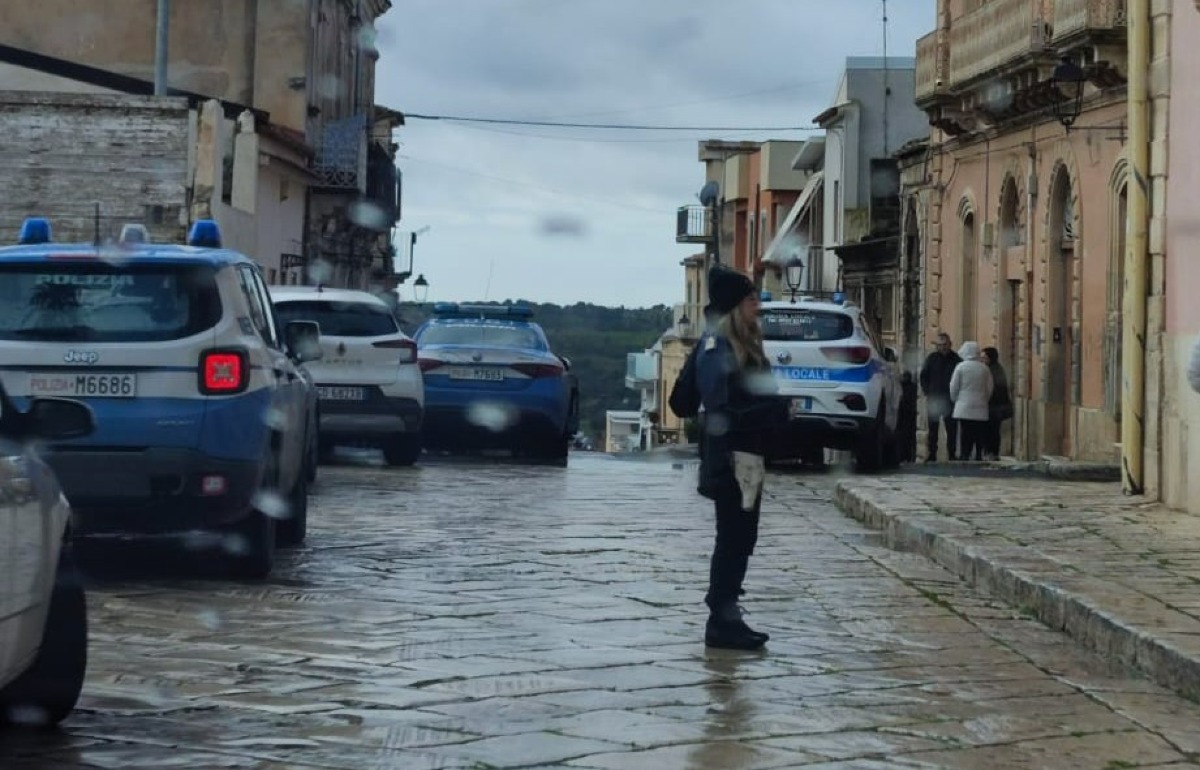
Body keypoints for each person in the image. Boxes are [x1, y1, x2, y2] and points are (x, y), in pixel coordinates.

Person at [695, 266, 787, 651]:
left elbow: (683, 398)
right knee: (732, 536)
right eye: (752, 299)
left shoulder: (727, 345)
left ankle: (728, 612)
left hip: (747, 454)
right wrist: (772, 411)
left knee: (741, 535)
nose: (758, 306)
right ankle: (722, 617)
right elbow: (721, 405)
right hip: (733, 456)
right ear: (735, 306)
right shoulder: (720, 348)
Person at [919, 332, 962, 462]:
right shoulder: (932, 359)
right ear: (936, 346)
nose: (943, 347)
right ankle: (932, 453)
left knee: (952, 429)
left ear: (950, 344)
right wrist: (927, 391)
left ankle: (952, 454)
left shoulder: (957, 360)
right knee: (933, 428)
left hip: (950, 399)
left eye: (945, 344)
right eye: (940, 345)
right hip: (935, 398)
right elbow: (923, 376)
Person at [949, 341, 993, 461]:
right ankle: (978, 454)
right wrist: (985, 399)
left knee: (965, 432)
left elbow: (954, 386)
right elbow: (989, 387)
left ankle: (965, 453)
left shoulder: (960, 367)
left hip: (964, 405)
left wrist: (955, 400)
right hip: (980, 405)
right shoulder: (984, 368)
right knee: (979, 431)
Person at [982, 346, 1012, 460]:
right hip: (996, 406)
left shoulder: (992, 370)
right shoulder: (997, 369)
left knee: (991, 431)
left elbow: (995, 389)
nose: (982, 360)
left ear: (990, 358)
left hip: (994, 406)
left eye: (984, 358)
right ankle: (992, 452)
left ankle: (991, 452)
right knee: (993, 430)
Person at [897, 370, 919, 463]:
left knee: (906, 438)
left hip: (906, 415)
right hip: (907, 415)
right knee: (908, 438)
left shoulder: (902, 387)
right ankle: (908, 456)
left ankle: (907, 456)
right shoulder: (912, 387)